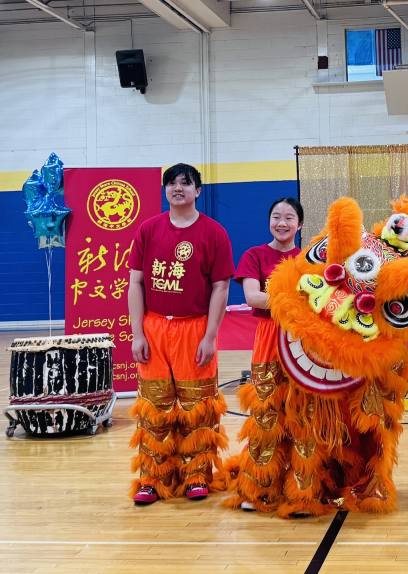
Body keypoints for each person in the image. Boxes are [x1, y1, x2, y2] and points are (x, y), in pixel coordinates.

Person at [128, 163, 234, 505]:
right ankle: (152, 479)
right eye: (172, 183)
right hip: (155, 327)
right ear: (165, 190)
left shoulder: (214, 232)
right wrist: (137, 333)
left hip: (194, 327)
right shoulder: (148, 229)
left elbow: (220, 287)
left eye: (186, 183)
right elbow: (136, 283)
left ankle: (197, 476)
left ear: (197, 191)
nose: (178, 188)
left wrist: (210, 335)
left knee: (197, 408)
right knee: (154, 406)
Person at [224, 198, 303, 512]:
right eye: (276, 216)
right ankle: (260, 487)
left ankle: (301, 486)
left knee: (302, 415)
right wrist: (296, 298)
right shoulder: (255, 255)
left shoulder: (308, 259)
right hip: (269, 338)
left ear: (298, 224)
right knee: (266, 414)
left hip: (302, 341)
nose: (281, 223)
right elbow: (253, 297)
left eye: (288, 217)